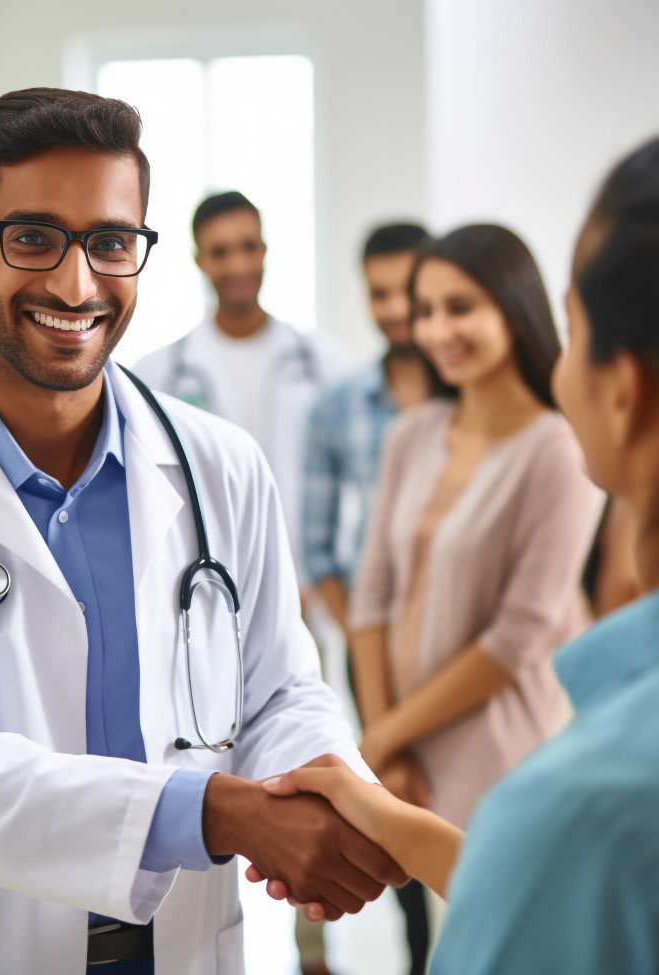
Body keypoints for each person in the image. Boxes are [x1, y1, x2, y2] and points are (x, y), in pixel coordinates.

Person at [0, 88, 406, 975]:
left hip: (185, 949)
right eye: (34, 237)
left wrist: (321, 784)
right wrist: (223, 813)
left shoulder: (221, 465)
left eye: (111, 242)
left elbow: (279, 688)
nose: (77, 284)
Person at [260, 125, 659, 972]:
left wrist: (380, 746)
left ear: (624, 390)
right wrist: (388, 779)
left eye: (576, 320)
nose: (434, 329)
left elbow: (554, 855)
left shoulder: (588, 800)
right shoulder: (626, 782)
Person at [347, 226, 603, 841]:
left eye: (461, 308)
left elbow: (517, 636)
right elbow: (372, 593)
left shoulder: (559, 451)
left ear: (514, 307)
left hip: (508, 751)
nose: (438, 331)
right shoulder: (413, 432)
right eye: (426, 311)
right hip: (407, 750)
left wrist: (381, 738)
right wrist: (390, 744)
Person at [300, 221, 435, 975]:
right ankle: (419, 958)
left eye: (407, 291)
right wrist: (366, 639)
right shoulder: (341, 407)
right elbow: (320, 546)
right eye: (378, 294)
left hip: (469, 644)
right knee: (401, 807)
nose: (394, 309)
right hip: (375, 648)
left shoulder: (482, 397)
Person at [133, 191, 349, 579]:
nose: (238, 265)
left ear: (265, 250)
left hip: (312, 585)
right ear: (199, 260)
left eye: (248, 247)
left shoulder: (324, 362)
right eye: (220, 252)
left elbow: (350, 484)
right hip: (207, 578)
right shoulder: (158, 375)